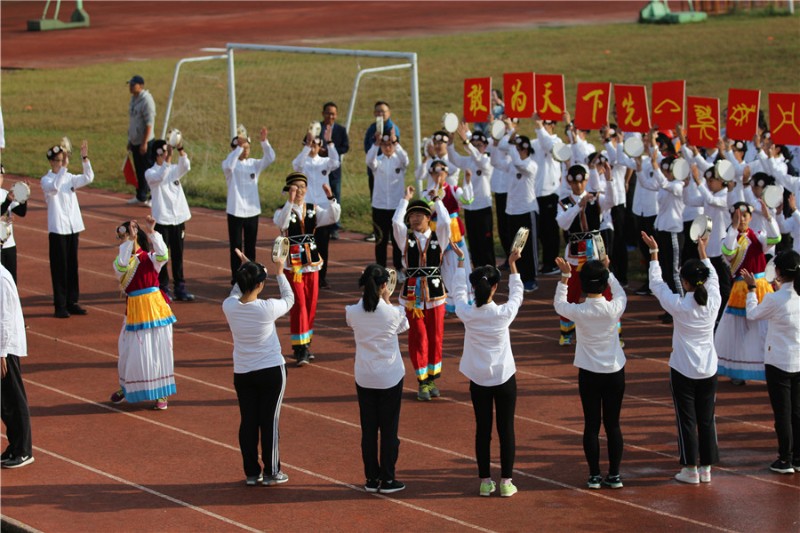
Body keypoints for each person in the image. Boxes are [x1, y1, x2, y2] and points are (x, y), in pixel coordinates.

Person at [643, 232, 721, 484]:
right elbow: (714, 278)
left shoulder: (679, 305)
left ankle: (690, 469)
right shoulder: (713, 301)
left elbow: (657, 285)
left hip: (683, 369)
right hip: (708, 369)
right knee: (706, 419)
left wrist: (654, 254)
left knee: (686, 420)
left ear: (685, 283)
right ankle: (706, 468)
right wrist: (703, 253)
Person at [452, 245, 523, 497]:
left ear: (475, 289)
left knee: (483, 430)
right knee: (506, 430)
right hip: (504, 379)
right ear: (494, 288)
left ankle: (485, 481)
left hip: (478, 380)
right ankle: (506, 483)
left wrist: (461, 261)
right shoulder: (503, 314)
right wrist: (513, 264)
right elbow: (517, 294)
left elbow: (457, 292)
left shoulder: (467, 313)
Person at [553, 255, 627, 490]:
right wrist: (609, 270)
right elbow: (620, 293)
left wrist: (565, 277)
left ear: (583, 285)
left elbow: (559, 304)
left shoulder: (578, 311)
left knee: (592, 425)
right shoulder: (615, 307)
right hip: (614, 372)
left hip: (589, 374)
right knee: (613, 424)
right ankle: (614, 475)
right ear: (605, 284)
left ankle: (594, 475)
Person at [222, 248, 294, 486]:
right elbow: (289, 299)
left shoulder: (229, 306)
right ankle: (273, 472)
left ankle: (252, 472)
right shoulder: (267, 308)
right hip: (271, 371)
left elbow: (237, 291)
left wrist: (246, 266)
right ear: (261, 285)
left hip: (243, 373)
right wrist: (280, 272)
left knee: (249, 422)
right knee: (269, 421)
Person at [345, 264, 409, 495]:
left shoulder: (352, 312)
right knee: (389, 430)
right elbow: (404, 325)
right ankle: (389, 479)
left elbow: (356, 316)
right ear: (385, 286)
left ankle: (371, 478)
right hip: (390, 377)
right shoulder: (393, 313)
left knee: (369, 430)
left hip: (364, 377)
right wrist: (388, 300)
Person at [742, 250, 800, 474]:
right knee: (797, 411)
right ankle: (796, 457)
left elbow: (752, 314)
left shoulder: (774, 299)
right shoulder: (786, 296)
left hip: (778, 362)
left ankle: (784, 459)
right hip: (797, 360)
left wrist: (751, 289)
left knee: (782, 413)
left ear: (779, 272)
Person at [110, 216, 177, 410]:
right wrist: (129, 241)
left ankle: (161, 394)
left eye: (130, 233)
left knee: (158, 350)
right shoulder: (121, 261)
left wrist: (152, 232)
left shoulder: (150, 258)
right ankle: (127, 386)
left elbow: (164, 254)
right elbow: (122, 265)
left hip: (155, 311)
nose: (125, 239)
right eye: (122, 236)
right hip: (134, 312)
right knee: (128, 351)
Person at [273, 172, 340, 366]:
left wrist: (331, 198)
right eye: (295, 188)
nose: (300, 191)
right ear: (288, 190)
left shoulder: (312, 209)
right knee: (299, 304)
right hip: (293, 265)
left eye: (302, 187)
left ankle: (306, 341)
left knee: (311, 304)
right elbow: (282, 224)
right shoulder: (282, 210)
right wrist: (290, 202)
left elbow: (332, 216)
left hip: (311, 263)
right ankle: (299, 348)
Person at [392, 186, 451, 400]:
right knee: (418, 336)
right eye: (411, 216)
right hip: (412, 296)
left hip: (435, 294)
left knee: (436, 336)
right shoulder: (405, 239)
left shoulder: (439, 236)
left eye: (419, 215)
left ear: (428, 217)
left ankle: (432, 378)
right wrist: (404, 200)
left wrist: (437, 200)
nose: (414, 219)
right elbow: (396, 223)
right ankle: (421, 381)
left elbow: (445, 222)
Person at [716, 201, 781, 383]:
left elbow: (775, 238)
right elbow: (728, 252)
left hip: (761, 288)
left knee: (764, 329)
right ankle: (739, 371)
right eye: (738, 216)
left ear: (751, 217)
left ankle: (767, 366)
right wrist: (734, 228)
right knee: (739, 331)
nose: (742, 219)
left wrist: (768, 217)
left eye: (745, 216)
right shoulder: (728, 238)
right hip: (740, 289)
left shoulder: (758, 237)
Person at [555, 163, 618, 346]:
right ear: (569, 181)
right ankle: (566, 332)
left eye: (581, 181)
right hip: (574, 253)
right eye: (574, 182)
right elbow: (563, 224)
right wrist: (577, 207)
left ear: (586, 180)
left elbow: (611, 202)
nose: (578, 185)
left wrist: (609, 180)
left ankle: (613, 330)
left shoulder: (594, 198)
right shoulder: (564, 202)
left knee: (604, 290)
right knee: (570, 293)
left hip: (595, 252)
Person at [41, 140, 93, 318]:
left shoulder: (70, 178)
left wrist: (84, 158)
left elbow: (88, 178)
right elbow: (54, 187)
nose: (61, 163)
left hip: (72, 227)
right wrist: (63, 168)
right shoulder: (46, 180)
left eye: (62, 159)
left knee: (72, 265)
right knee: (59, 267)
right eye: (57, 160)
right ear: (51, 162)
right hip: (57, 229)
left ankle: (72, 301)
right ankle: (60, 305)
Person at [222, 126, 275, 282]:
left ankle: (251, 276)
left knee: (251, 246)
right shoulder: (229, 165)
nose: (245, 150)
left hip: (252, 210)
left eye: (247, 147)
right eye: (242, 147)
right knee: (236, 247)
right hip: (235, 210)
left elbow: (270, 158)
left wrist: (264, 142)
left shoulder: (254, 164)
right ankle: (236, 277)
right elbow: (228, 165)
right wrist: (238, 148)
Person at [491, 123, 539, 292]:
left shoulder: (531, 165)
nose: (515, 150)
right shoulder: (512, 163)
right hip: (511, 210)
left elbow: (519, 163)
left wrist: (511, 143)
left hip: (526, 210)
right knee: (516, 247)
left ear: (524, 149)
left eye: (518, 148)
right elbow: (495, 161)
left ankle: (531, 278)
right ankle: (517, 276)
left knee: (529, 247)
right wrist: (504, 137)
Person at [145, 139, 195, 301]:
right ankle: (163, 287)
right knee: (162, 255)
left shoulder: (174, 169)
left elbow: (186, 166)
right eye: (163, 152)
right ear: (157, 154)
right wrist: (167, 161)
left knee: (178, 254)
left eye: (167, 152)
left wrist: (180, 148)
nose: (166, 155)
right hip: (162, 219)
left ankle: (180, 287)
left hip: (178, 218)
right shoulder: (151, 173)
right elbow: (160, 177)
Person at [292, 126, 340, 289]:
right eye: (311, 144)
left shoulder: (325, 162)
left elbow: (336, 162)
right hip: (306, 207)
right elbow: (296, 165)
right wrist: (307, 146)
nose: (313, 147)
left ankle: (321, 276)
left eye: (316, 144)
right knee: (305, 240)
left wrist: (331, 143)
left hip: (323, 206)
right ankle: (303, 270)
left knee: (322, 243)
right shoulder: (302, 161)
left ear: (321, 146)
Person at [1, 263, 33, 469]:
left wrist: (2, 352)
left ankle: (23, 450)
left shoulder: (1, 278)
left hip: (7, 348)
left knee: (13, 397)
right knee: (4, 401)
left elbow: (4, 318)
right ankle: (14, 445)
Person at [449, 124, 495, 269]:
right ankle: (478, 271)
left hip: (483, 207)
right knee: (474, 242)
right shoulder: (468, 160)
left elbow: (479, 159)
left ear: (485, 146)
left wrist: (467, 142)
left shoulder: (487, 160)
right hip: (470, 207)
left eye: (479, 145)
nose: (476, 147)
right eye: (474, 144)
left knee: (485, 242)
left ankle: (490, 270)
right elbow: (453, 158)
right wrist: (450, 141)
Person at [367, 130, 408, 272]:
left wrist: (396, 142)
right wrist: (375, 144)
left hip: (397, 207)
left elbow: (406, 160)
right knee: (381, 240)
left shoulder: (400, 160)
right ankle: (380, 268)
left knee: (397, 240)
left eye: (390, 144)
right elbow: (369, 161)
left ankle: (399, 268)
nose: (387, 147)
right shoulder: (378, 161)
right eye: (384, 145)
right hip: (379, 206)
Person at [364, 101, 400, 242]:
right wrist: (375, 143)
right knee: (377, 201)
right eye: (378, 111)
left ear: (389, 113)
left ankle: (391, 232)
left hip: (391, 173)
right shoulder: (372, 128)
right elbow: (367, 147)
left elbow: (395, 147)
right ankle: (377, 232)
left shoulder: (393, 129)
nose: (380, 114)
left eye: (383, 111)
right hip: (376, 170)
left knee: (391, 203)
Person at [320, 102, 349, 239]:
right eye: (328, 113)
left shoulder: (341, 130)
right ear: (323, 113)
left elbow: (345, 147)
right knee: (320, 196)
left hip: (334, 170)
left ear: (336, 115)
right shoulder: (316, 128)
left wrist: (331, 151)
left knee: (334, 196)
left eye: (333, 114)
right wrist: (319, 151)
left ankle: (334, 227)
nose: (330, 116)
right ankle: (320, 223)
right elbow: (306, 143)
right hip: (319, 170)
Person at [127, 75, 156, 206]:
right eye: (130, 85)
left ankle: (152, 196)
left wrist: (144, 142)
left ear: (141, 85)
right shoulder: (133, 99)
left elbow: (149, 123)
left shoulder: (147, 101)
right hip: (135, 141)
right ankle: (141, 195)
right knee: (139, 170)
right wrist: (130, 140)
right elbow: (133, 121)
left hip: (145, 142)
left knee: (148, 170)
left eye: (133, 85)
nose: (130, 87)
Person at [0, 174, 29, 282]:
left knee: (11, 281)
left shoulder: (5, 193)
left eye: (1, 176)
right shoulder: (7, 197)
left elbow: (21, 212)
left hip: (10, 245)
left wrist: (23, 197)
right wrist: (7, 201)